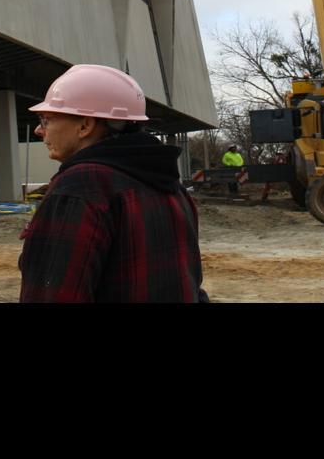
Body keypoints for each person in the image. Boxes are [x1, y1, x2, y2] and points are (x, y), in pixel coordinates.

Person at [19, 64, 206, 302]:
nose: (39, 130)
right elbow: (191, 285)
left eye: (46, 120)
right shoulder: (171, 187)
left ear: (85, 125)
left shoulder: (80, 188)